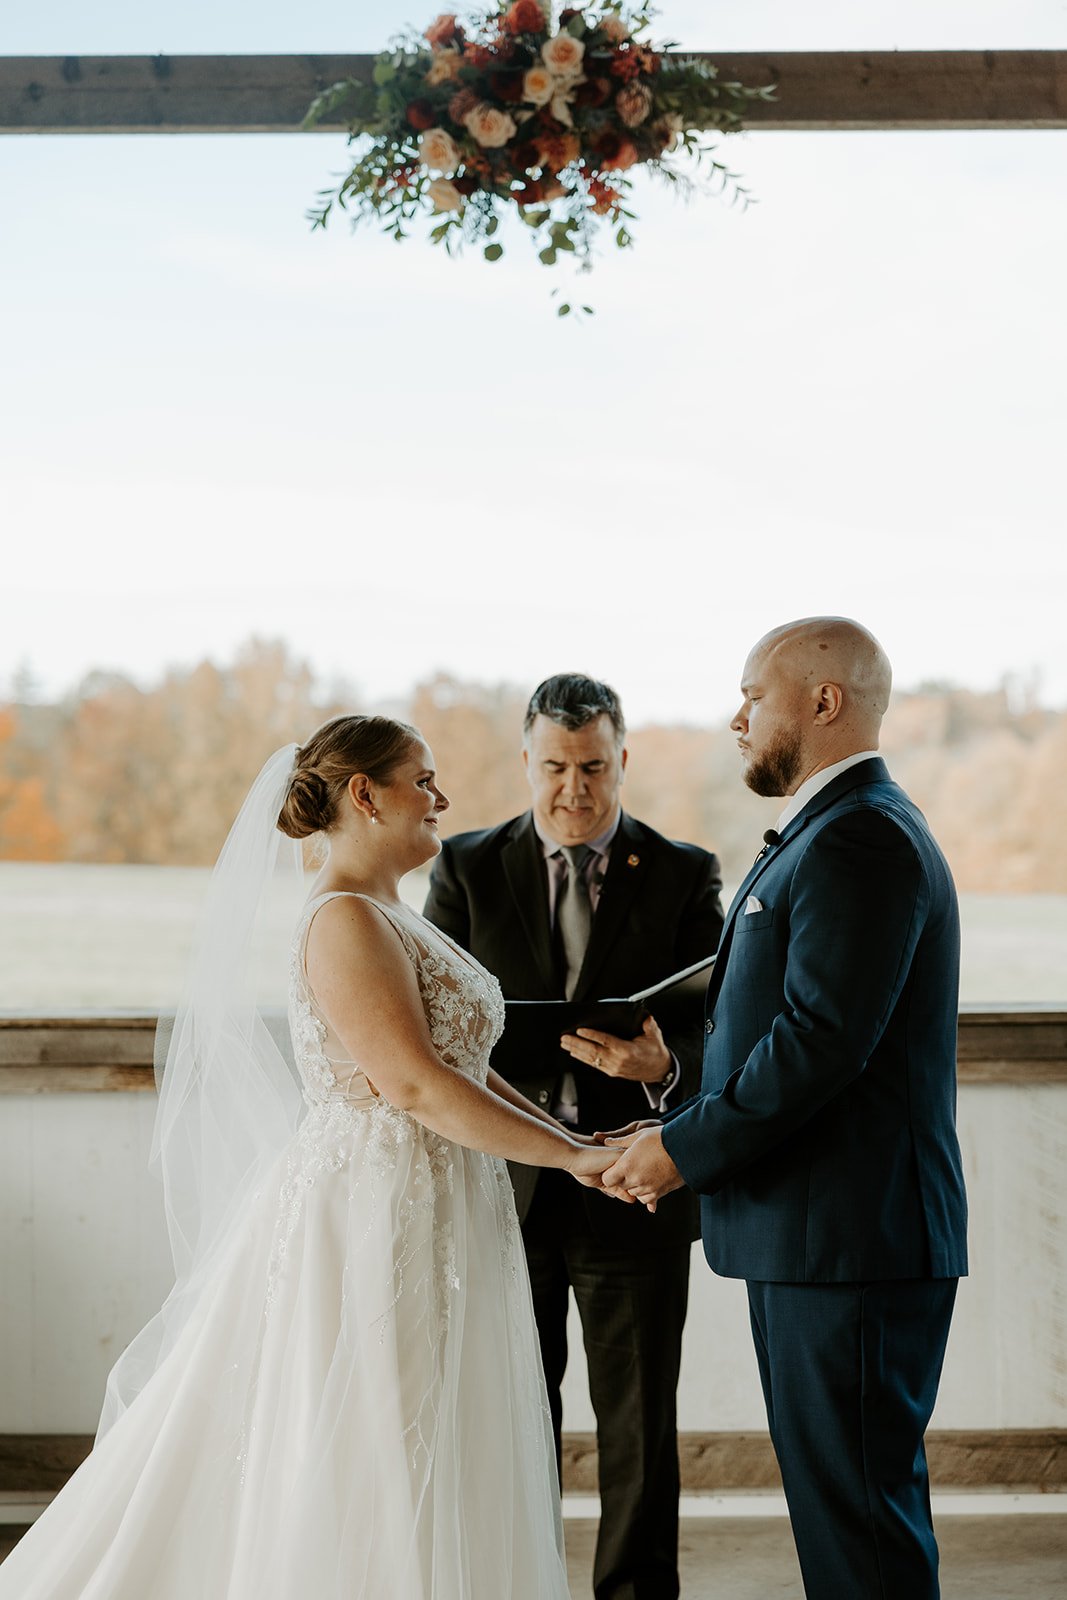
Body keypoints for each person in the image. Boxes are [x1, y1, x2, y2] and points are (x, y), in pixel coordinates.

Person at [0, 714, 616, 1600]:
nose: (441, 798)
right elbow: (411, 1087)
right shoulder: (343, 922)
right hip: (374, 1211)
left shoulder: (392, 914)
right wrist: (567, 1161)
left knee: (441, 1425)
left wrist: (574, 1144)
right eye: (422, 779)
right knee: (378, 1431)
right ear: (364, 794)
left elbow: (462, 1071)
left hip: (441, 1197)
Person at [600, 619, 969, 1600]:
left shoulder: (861, 838)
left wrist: (678, 1149)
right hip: (825, 1240)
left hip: (850, 1246)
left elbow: (816, 1044)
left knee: (859, 1530)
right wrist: (668, 1063)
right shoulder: (836, 828)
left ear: (821, 701)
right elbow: (782, 1017)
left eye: (750, 694)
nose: (734, 717)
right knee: (845, 1513)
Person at [423, 674, 724, 1600]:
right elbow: (431, 1025)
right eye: (553, 767)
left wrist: (660, 1071)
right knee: (513, 1414)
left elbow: (722, 1025)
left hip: (634, 1182)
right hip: (503, 1188)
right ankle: (523, 1582)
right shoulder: (466, 867)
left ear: (622, 759)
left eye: (593, 767)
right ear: (525, 761)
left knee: (638, 1423)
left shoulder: (682, 872)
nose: (573, 789)